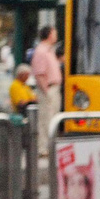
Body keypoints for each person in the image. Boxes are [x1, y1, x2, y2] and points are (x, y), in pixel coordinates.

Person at [30, 25, 63, 153]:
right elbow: (39, 73)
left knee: (53, 118)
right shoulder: (41, 51)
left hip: (53, 88)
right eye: (54, 33)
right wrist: (47, 90)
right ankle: (43, 148)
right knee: (46, 118)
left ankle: (50, 146)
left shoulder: (49, 51)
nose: (56, 36)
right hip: (48, 89)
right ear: (49, 35)